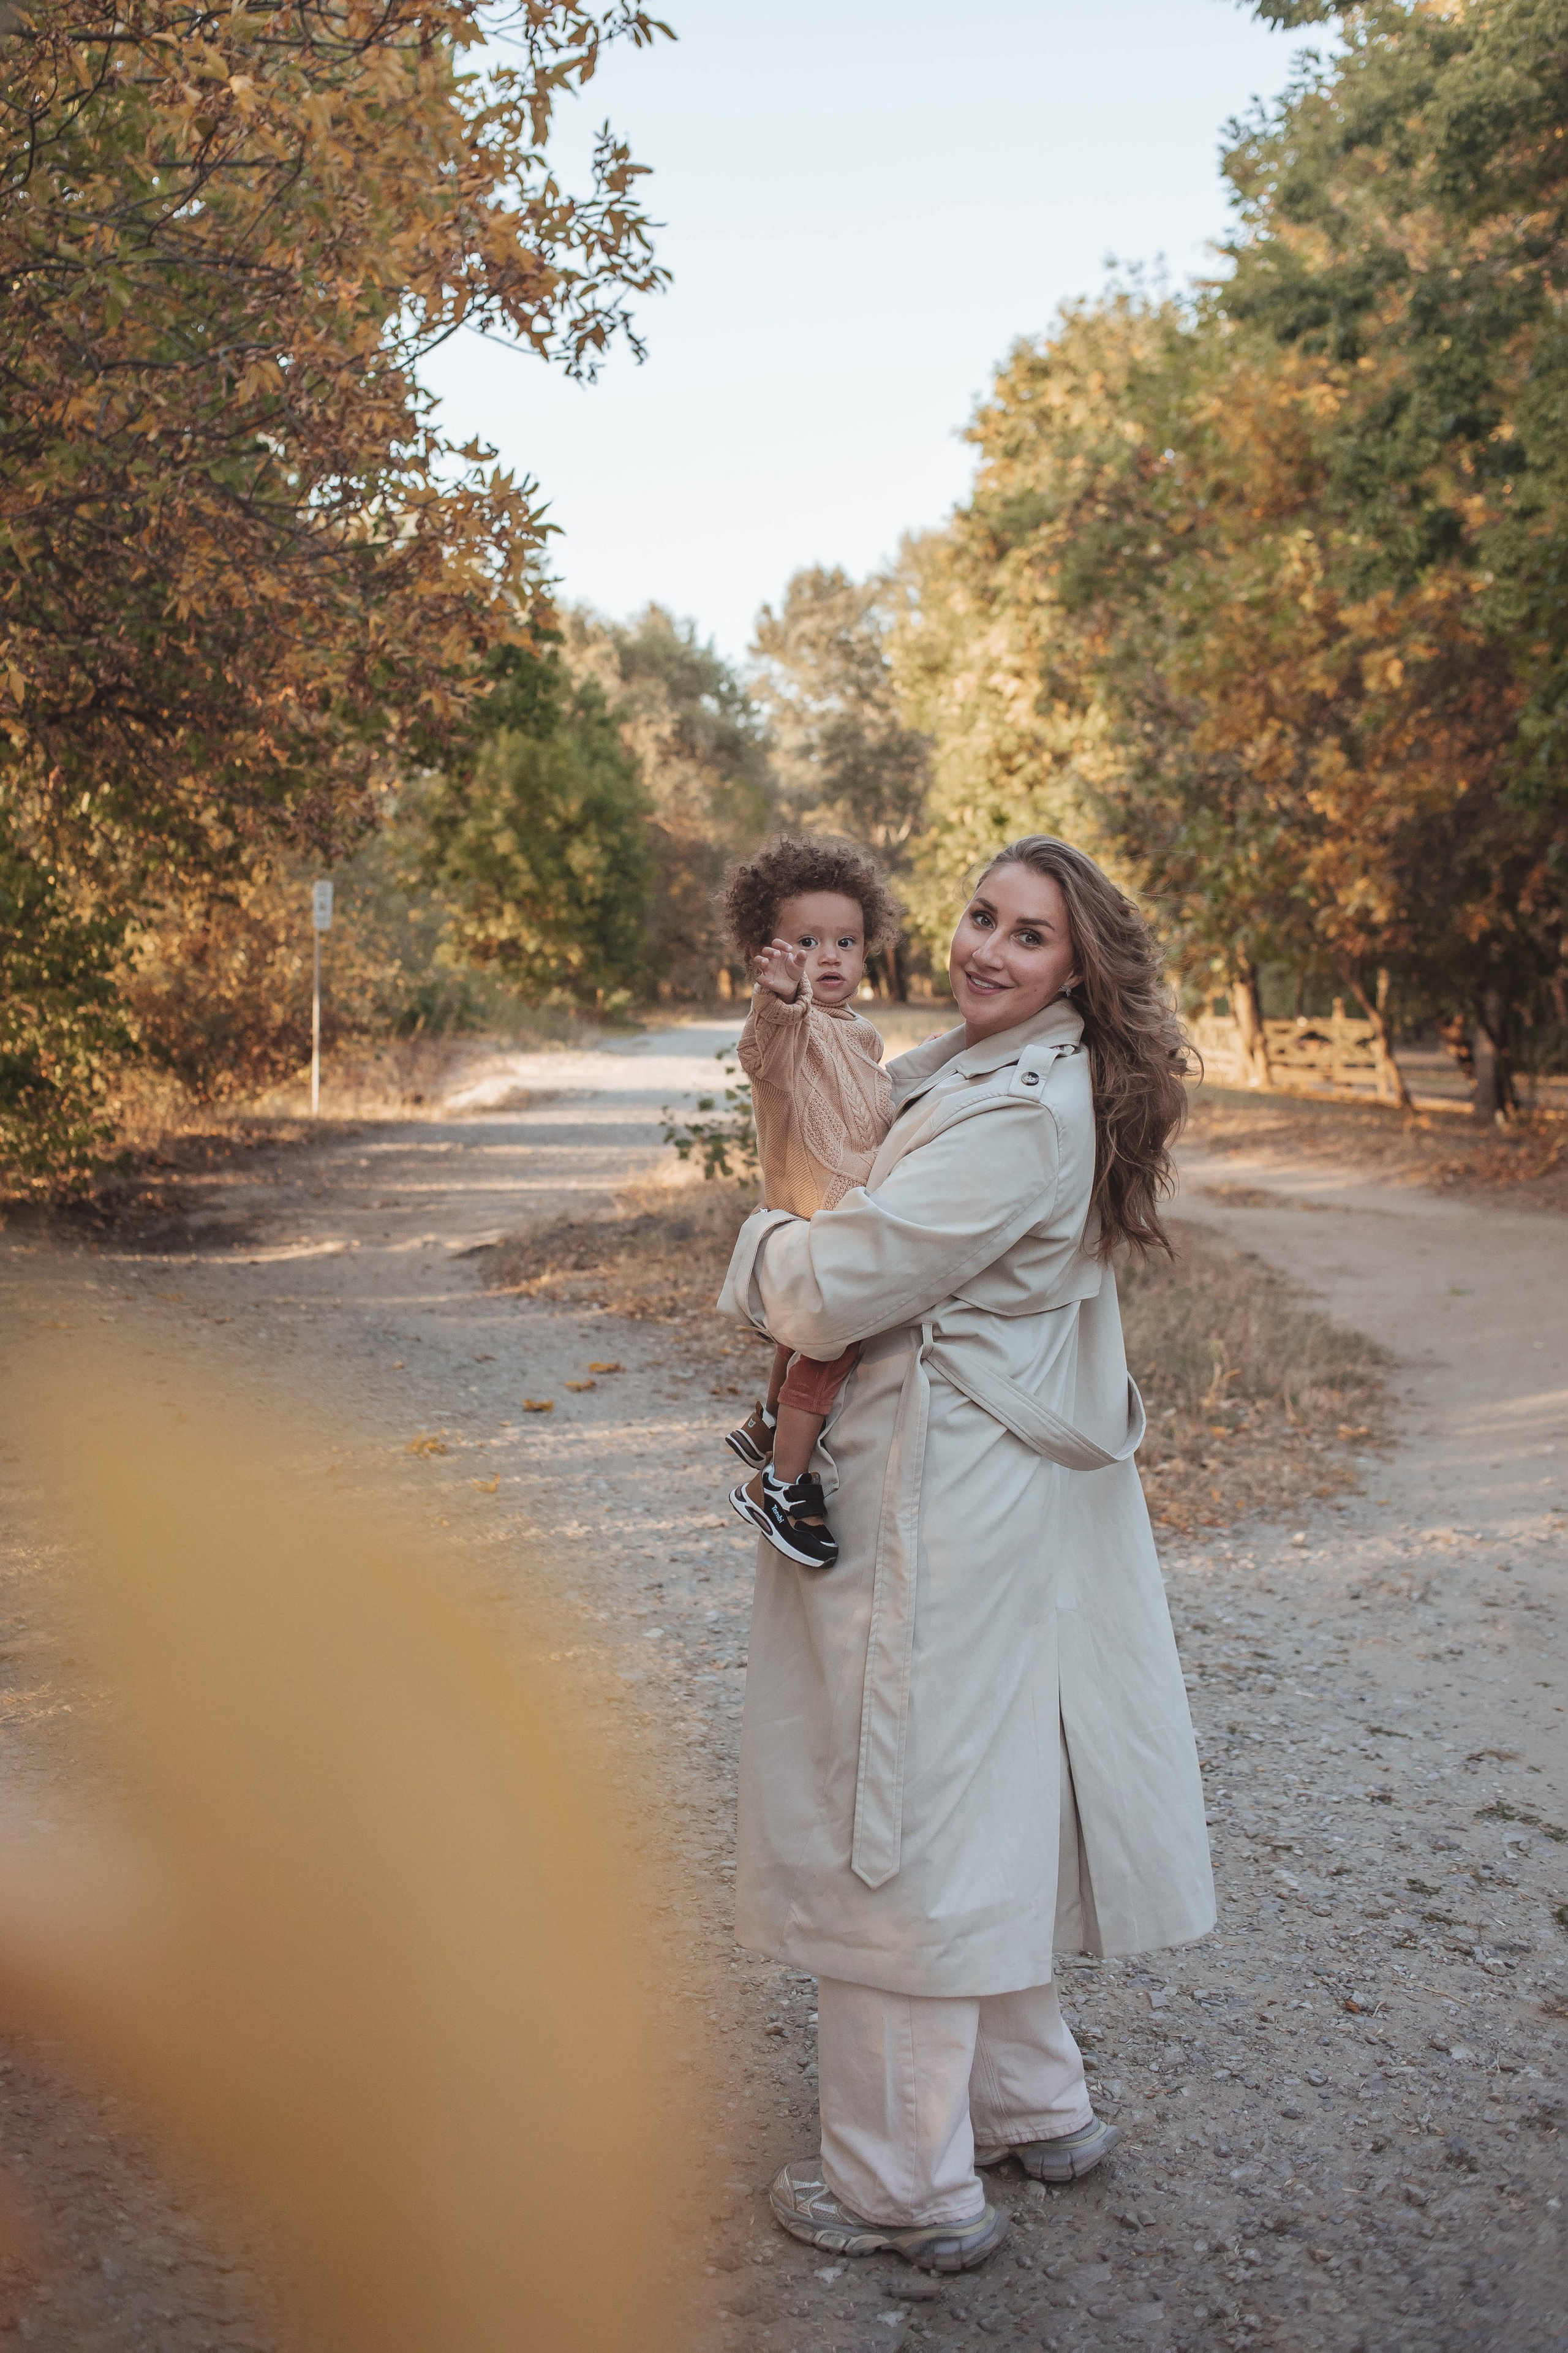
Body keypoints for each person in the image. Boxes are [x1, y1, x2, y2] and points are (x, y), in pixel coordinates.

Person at [717, 836, 1215, 2273]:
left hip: (936, 1492)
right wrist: (786, 1029)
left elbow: (833, 1280)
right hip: (968, 1482)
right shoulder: (1000, 1066)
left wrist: (758, 1248)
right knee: (967, 1791)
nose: (986, 947)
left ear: (1077, 967)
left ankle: (899, 2184)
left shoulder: (1019, 1116)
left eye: (1027, 934)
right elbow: (846, 1139)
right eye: (980, 915)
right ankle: (1024, 2100)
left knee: (891, 1812)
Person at [718, 837, 900, 1569]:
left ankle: (767, 1418)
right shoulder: (788, 1022)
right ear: (767, 952)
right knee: (831, 1344)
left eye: (845, 942)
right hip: (815, 1209)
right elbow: (765, 1052)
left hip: (841, 1207)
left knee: (802, 1330)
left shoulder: (862, 1033)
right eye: (806, 942)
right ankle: (781, 1486)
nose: (828, 957)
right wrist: (779, 996)